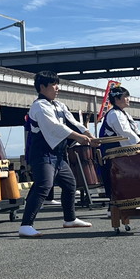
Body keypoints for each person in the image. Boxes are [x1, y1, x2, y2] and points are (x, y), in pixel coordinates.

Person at [19, 71, 96, 237]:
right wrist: (80, 138)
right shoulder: (39, 106)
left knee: (70, 184)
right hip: (42, 154)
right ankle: (26, 225)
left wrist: (89, 135)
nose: (57, 88)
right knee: (43, 186)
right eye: (54, 85)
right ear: (42, 87)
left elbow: (73, 122)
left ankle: (70, 219)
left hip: (57, 155)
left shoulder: (59, 105)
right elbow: (56, 128)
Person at [99, 86, 140, 217]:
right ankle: (114, 207)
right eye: (125, 97)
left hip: (120, 151)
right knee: (116, 178)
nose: (128, 99)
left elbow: (136, 132)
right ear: (116, 99)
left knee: (126, 177)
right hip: (112, 152)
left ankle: (129, 202)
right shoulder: (114, 114)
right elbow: (126, 133)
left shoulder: (124, 114)